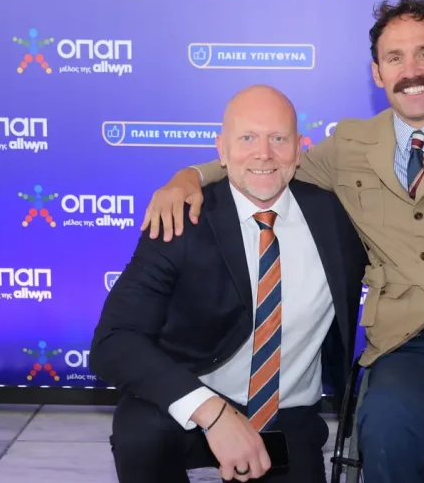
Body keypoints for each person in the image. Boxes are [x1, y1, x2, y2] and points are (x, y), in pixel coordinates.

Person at [136, 0, 424, 483]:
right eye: (395, 58)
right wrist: (190, 176)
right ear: (377, 73)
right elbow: (270, 163)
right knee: (384, 425)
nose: (411, 71)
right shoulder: (351, 145)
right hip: (411, 343)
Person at [90, 84, 368, 483]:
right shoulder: (181, 218)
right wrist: (212, 412)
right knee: (140, 430)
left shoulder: (340, 219)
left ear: (299, 149)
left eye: (278, 138)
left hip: (288, 415)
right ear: (221, 150)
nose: (264, 153)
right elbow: (113, 341)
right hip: (197, 402)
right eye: (247, 138)